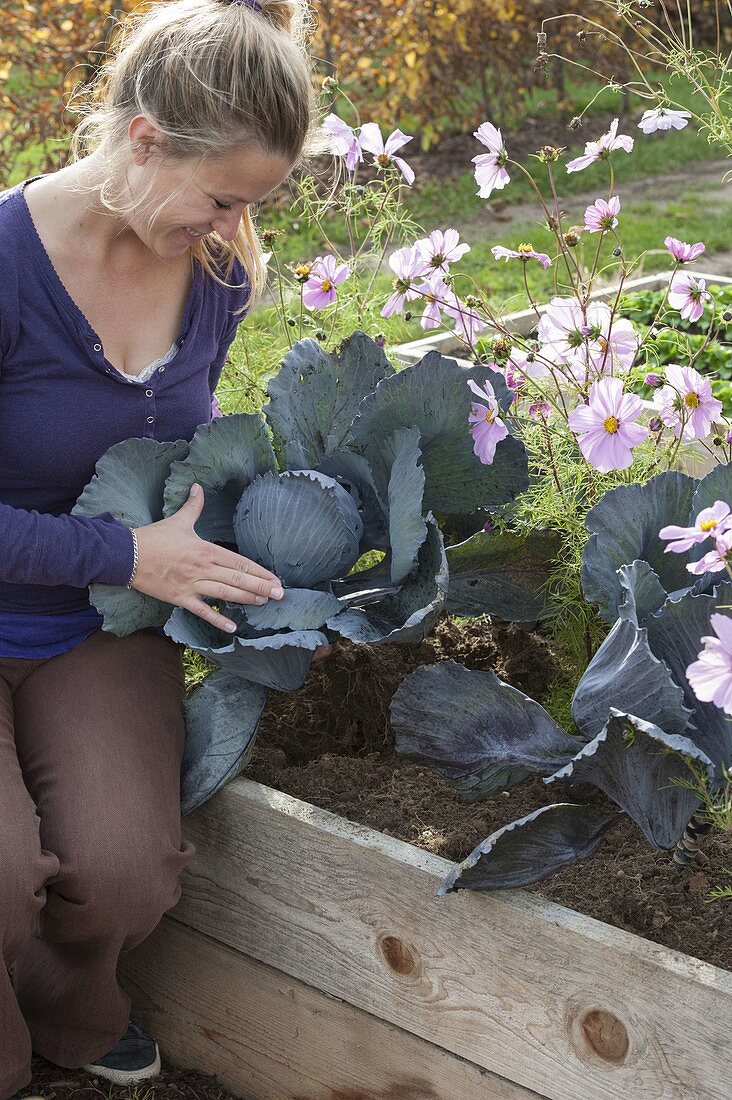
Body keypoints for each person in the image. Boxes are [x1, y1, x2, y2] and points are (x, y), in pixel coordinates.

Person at [0, 0, 318, 1092]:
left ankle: (64, 1007)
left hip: (93, 626)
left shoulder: (216, 278)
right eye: (221, 196)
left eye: (252, 204)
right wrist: (128, 556)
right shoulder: (2, 267)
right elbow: (127, 541)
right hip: (92, 580)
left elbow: (181, 456)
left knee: (127, 873)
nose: (233, 226)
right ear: (142, 140)